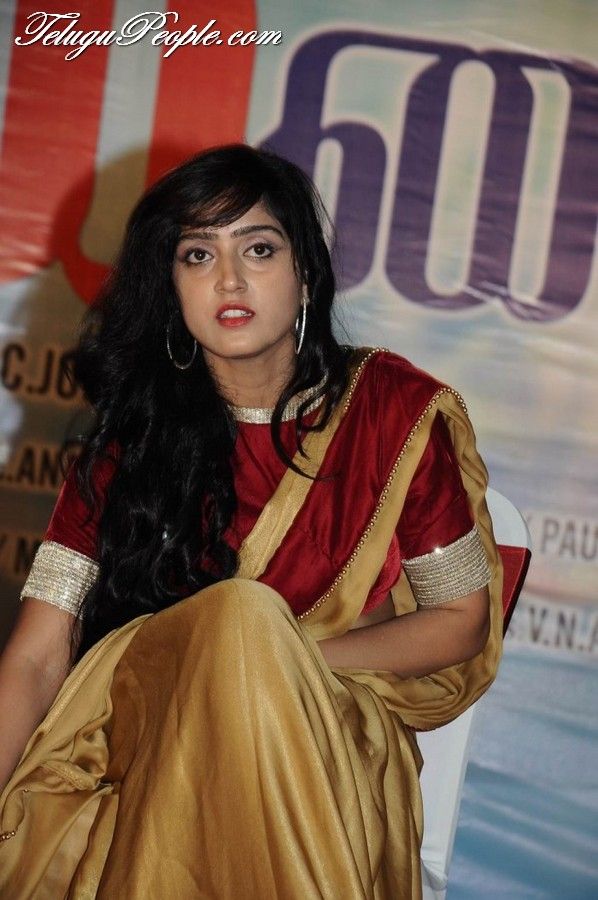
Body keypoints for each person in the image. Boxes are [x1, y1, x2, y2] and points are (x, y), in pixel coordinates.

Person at [0, 144, 502, 899]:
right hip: (143, 746)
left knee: (240, 619)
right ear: (172, 285)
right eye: (198, 255)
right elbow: (39, 660)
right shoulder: (133, 438)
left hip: (320, 745)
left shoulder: (391, 413)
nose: (229, 280)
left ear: (306, 275)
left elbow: (460, 620)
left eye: (258, 249)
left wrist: (266, 665)